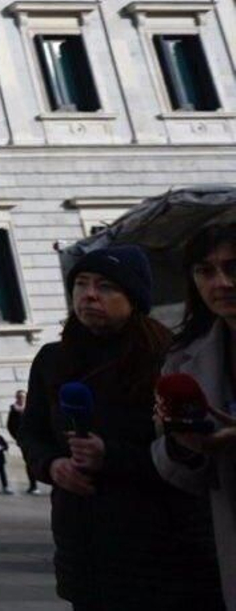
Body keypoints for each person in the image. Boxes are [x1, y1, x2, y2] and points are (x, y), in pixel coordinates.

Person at [20, 244, 223, 610]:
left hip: (165, 551)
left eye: (106, 286)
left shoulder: (170, 358)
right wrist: (51, 465)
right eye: (81, 284)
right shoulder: (52, 360)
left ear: (134, 296)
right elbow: (30, 431)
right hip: (84, 549)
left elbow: (192, 455)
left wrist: (111, 456)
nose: (90, 295)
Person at [154, 222, 236, 610]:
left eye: (233, 267)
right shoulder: (183, 361)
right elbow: (181, 473)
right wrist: (186, 448)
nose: (221, 283)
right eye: (205, 271)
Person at [7, 389, 40, 495]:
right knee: (29, 462)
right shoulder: (14, 411)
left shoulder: (32, 408)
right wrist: (18, 437)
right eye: (19, 397)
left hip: (37, 439)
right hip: (24, 441)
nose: (21, 398)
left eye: (23, 396)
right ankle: (33, 485)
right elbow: (10, 426)